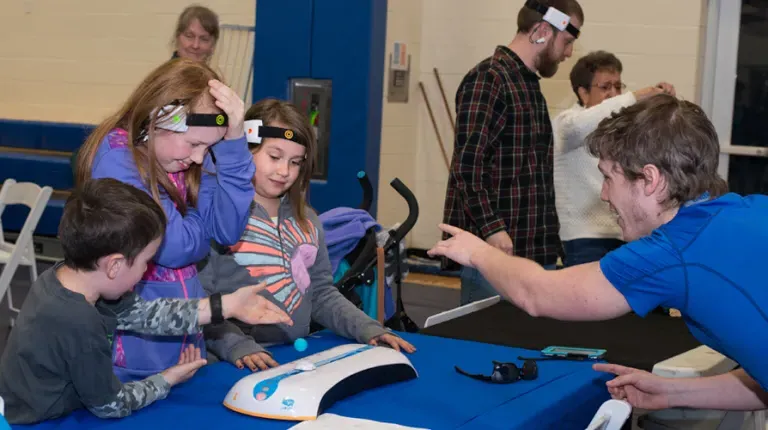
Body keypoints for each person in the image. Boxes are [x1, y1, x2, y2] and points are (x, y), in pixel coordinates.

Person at [428, 93, 768, 411]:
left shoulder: (673, 251)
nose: (604, 195)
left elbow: (537, 294)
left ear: (650, 180)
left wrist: (478, 253)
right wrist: (670, 390)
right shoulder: (750, 210)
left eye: (608, 177)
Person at [0, 178, 292, 424]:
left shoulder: (68, 277)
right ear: (114, 265)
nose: (147, 271)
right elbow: (111, 405)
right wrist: (167, 379)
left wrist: (226, 305)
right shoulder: (78, 321)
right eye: (146, 262)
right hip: (40, 423)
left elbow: (145, 314)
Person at [75, 58, 256, 382]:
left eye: (209, 146)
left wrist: (233, 144)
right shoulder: (118, 159)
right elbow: (177, 246)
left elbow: (228, 230)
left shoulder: (183, 159)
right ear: (159, 118)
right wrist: (202, 221)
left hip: (182, 342)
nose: (199, 157)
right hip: (128, 358)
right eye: (195, 144)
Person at [199, 99, 415, 371]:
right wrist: (237, 345)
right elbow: (201, 301)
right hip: (234, 362)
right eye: (274, 157)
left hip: (294, 359)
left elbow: (321, 294)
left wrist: (368, 328)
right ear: (245, 149)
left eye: (295, 162)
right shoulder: (218, 218)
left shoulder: (308, 220)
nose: (284, 171)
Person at [442, 0, 584, 305]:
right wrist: (493, 229)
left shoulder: (528, 85)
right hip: (495, 256)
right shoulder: (489, 80)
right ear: (543, 31)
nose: (569, 53)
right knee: (487, 346)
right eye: (568, 41)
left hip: (533, 252)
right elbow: (468, 168)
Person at [554, 50, 675, 266]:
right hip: (583, 238)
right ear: (582, 93)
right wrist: (636, 97)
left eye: (618, 86)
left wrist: (658, 103)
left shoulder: (618, 128)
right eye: (605, 87)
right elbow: (577, 127)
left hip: (623, 234)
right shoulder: (567, 122)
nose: (614, 94)